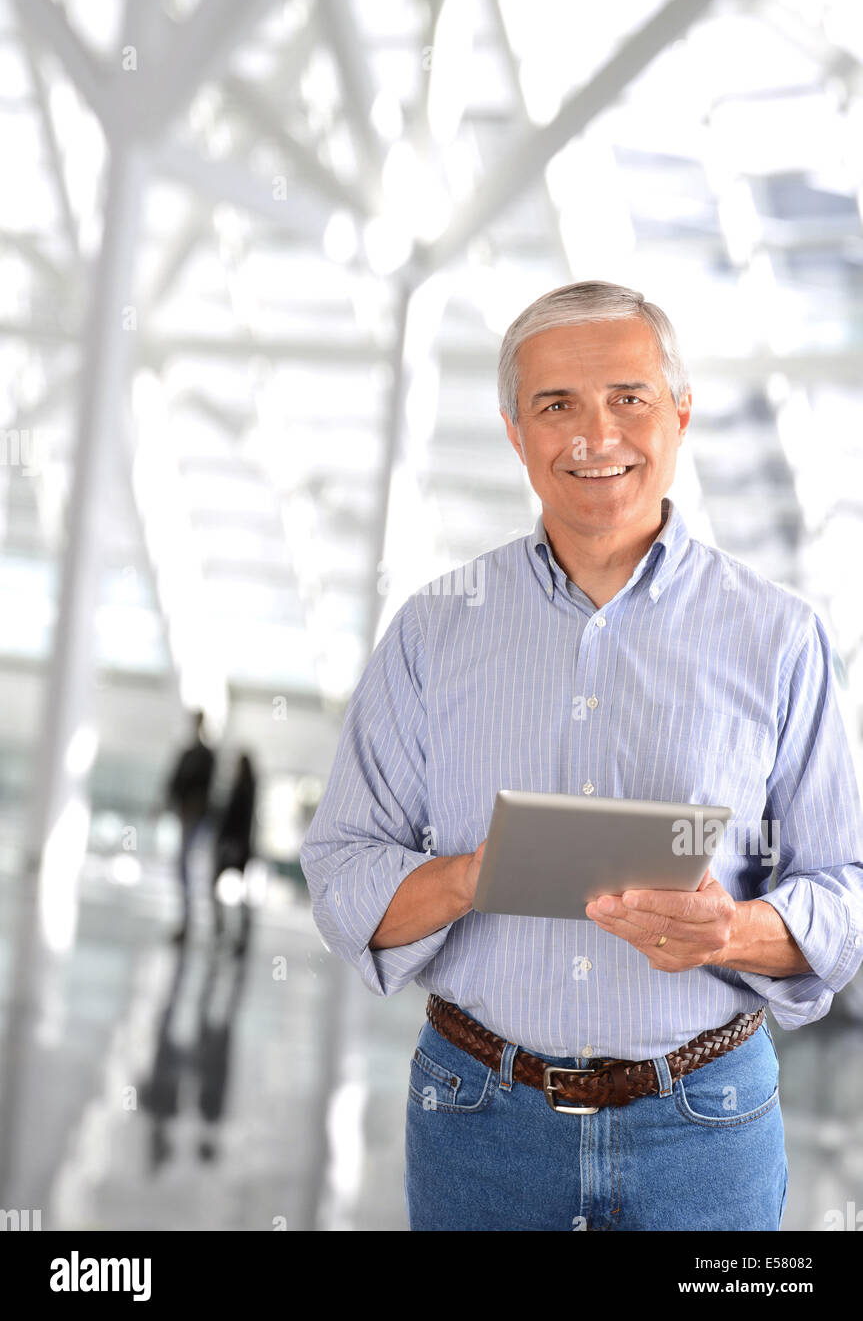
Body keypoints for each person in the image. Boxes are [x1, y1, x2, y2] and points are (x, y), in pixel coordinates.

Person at [299, 280, 863, 1231]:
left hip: (705, 1129)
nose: (594, 436)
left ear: (678, 415)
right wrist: (476, 876)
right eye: (556, 405)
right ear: (516, 433)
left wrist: (729, 932)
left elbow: (844, 889)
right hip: (476, 1120)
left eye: (628, 399)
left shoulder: (778, 638)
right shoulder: (434, 633)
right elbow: (342, 872)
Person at [164, 710, 216, 943]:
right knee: (182, 867)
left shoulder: (206, 755)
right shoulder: (188, 753)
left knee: (188, 866)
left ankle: (191, 922)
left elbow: (206, 789)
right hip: (187, 816)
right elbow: (174, 783)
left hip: (196, 817)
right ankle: (186, 920)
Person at [211, 752, 256, 953]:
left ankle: (230, 933)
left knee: (235, 893)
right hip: (236, 847)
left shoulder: (243, 790)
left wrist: (229, 845)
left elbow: (237, 822)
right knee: (234, 893)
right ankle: (230, 932)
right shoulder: (244, 788)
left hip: (234, 847)